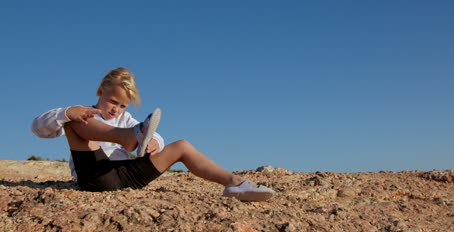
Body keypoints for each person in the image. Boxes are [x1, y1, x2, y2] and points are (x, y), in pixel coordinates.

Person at [31, 67, 274, 202]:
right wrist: (67, 112)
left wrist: (154, 143)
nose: (116, 109)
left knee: (182, 145)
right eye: (112, 101)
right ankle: (123, 137)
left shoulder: (128, 121)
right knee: (75, 123)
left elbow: (153, 136)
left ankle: (235, 184)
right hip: (97, 177)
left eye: (123, 106)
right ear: (99, 92)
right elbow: (38, 128)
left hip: (129, 176)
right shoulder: (85, 114)